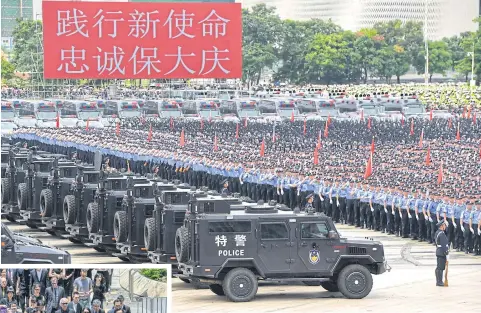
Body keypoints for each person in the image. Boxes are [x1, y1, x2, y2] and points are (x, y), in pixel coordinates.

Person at [434, 220, 449, 287]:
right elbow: (444, 245)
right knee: (440, 268)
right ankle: (439, 282)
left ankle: (438, 281)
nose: (445, 226)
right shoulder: (442, 234)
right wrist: (446, 252)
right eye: (444, 225)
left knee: (439, 267)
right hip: (442, 252)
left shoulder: (437, 232)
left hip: (439, 251)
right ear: (442, 226)